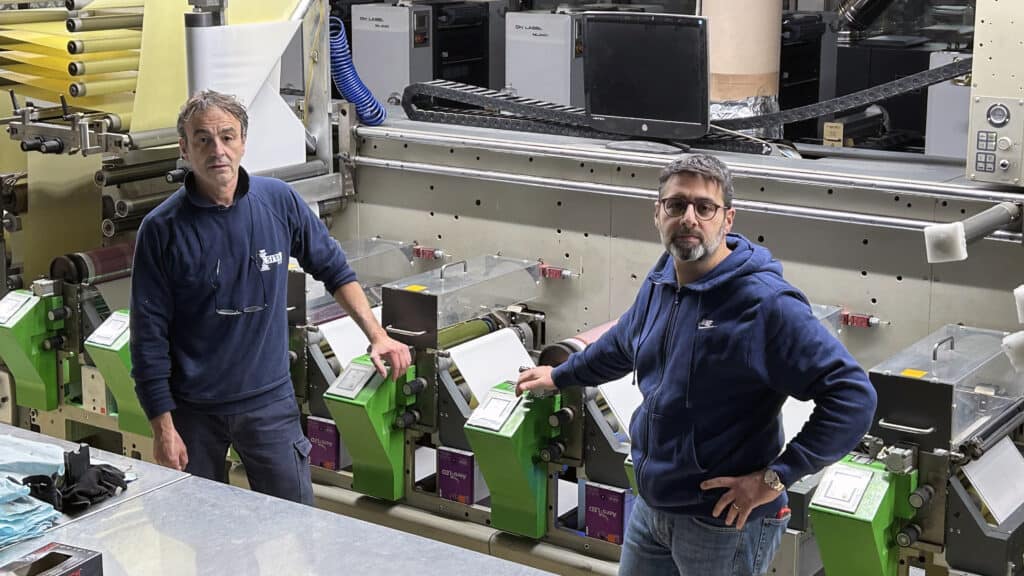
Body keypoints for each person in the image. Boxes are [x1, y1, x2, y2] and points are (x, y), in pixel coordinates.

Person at [516, 154, 876, 575]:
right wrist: (561, 375)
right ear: (657, 213)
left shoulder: (764, 304)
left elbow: (852, 396)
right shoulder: (665, 276)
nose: (689, 218)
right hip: (653, 506)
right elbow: (624, 341)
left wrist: (776, 478)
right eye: (676, 205)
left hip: (722, 522)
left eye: (704, 207)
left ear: (727, 219)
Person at [130, 90, 411, 505]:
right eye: (203, 139)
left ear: (244, 141)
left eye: (227, 137)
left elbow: (334, 270)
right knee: (202, 532)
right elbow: (148, 338)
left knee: (296, 524)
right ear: (184, 149)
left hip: (269, 404)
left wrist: (377, 334)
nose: (218, 150)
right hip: (194, 412)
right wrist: (162, 428)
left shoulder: (278, 201)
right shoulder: (161, 230)